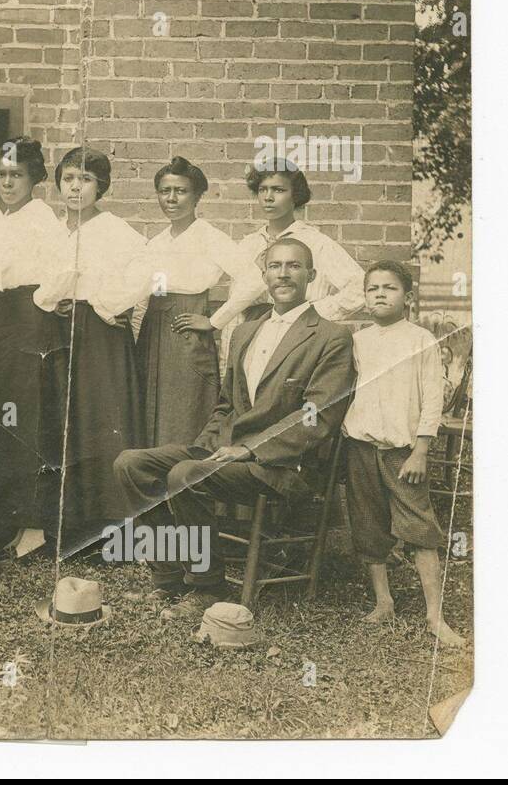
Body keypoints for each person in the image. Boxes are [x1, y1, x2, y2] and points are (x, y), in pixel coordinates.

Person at [111, 237, 355, 620]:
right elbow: (227, 404)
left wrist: (252, 449)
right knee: (131, 464)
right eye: (275, 266)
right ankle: (169, 575)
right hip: (228, 451)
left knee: (187, 475)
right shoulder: (245, 331)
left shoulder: (331, 337)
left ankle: (207, 586)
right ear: (263, 276)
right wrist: (208, 445)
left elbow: (318, 416)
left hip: (283, 465)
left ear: (312, 275)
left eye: (294, 266)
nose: (284, 274)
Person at [342, 261, 465, 648]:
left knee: (419, 527)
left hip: (403, 451)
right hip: (361, 446)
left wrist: (422, 450)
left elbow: (432, 398)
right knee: (368, 523)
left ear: (408, 297)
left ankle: (434, 614)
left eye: (389, 288)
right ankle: (384, 601)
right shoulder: (358, 341)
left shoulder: (420, 340)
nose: (379, 294)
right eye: (372, 288)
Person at [34, 148, 146, 550]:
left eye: (85, 179)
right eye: (67, 178)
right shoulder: (52, 229)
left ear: (101, 186)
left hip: (99, 337)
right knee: (63, 422)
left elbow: (142, 276)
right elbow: (43, 282)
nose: (75, 187)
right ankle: (65, 529)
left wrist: (102, 302)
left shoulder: (117, 230)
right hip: (58, 334)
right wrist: (54, 298)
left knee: (101, 422)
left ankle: (112, 533)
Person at [99, 156, 253, 446]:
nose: (171, 198)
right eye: (164, 191)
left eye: (181, 191)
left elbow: (253, 280)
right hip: (153, 330)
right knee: (147, 416)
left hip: (186, 330)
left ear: (197, 196)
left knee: (184, 416)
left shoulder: (210, 237)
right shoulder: (157, 242)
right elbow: (147, 293)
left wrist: (214, 321)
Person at [0, 136, 70, 559]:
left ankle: (36, 526)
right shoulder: (2, 218)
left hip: (30, 319)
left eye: (15, 175)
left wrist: (39, 302)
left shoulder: (41, 216)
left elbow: (65, 268)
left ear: (34, 178)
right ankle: (15, 521)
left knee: (31, 419)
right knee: (8, 418)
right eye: (1, 174)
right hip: (3, 317)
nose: (7, 182)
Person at [207, 159, 364, 367]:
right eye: (263, 190)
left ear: (295, 195)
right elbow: (237, 305)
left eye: (278, 190)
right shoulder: (249, 245)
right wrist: (229, 360)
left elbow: (360, 287)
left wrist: (316, 313)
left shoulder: (316, 243)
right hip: (251, 341)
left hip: (296, 339)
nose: (268, 197)